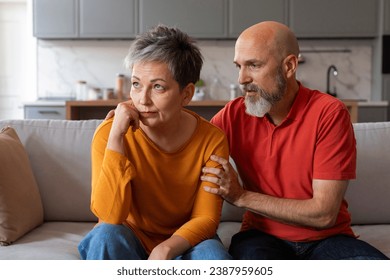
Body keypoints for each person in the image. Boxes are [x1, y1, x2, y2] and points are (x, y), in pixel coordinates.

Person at [201, 21, 389, 260]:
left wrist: (241, 196)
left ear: (289, 66)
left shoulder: (329, 113)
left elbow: (323, 214)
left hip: (327, 238)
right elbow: (184, 139)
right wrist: (140, 110)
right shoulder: (234, 114)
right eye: (239, 66)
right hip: (260, 236)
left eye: (253, 65)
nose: (241, 78)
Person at [78, 24, 231, 260]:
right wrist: (117, 137)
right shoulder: (109, 133)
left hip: (184, 240)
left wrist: (166, 248)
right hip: (127, 235)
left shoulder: (211, 139)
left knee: (214, 258)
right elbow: (110, 216)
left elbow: (206, 218)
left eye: (158, 87)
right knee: (106, 236)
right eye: (136, 84)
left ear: (186, 94)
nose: (142, 100)